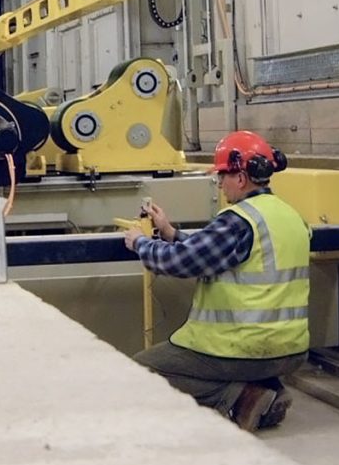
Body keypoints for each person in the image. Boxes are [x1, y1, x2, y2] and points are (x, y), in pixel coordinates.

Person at [122, 130, 311, 432]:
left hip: (240, 348)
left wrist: (140, 243)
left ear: (241, 177)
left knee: (139, 370)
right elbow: (225, 253)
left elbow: (180, 262)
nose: (220, 184)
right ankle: (268, 389)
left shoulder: (238, 219)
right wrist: (171, 233)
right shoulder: (290, 216)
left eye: (223, 176)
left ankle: (240, 397)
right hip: (291, 350)